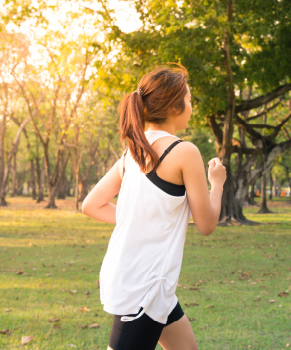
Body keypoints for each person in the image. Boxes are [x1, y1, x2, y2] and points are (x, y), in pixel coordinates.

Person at [82, 64, 226, 350]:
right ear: (174, 106)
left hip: (144, 280)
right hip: (144, 287)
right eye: (189, 99)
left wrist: (141, 220)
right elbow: (207, 224)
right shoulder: (184, 151)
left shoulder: (132, 151)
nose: (191, 106)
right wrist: (217, 182)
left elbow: (91, 205)